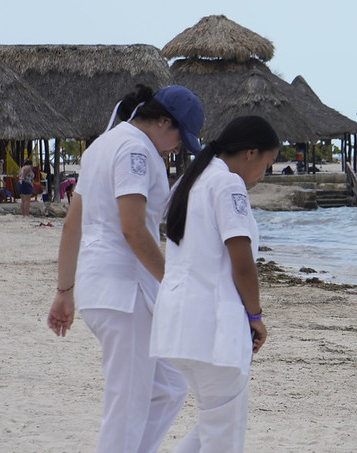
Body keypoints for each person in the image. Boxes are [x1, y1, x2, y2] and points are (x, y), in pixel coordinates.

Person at [47, 84, 204, 453]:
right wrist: (173, 284)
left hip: (103, 286)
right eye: (182, 136)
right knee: (128, 404)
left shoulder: (102, 144)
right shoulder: (136, 149)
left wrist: (64, 292)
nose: (181, 146)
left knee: (169, 387)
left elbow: (73, 223)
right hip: (124, 291)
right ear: (164, 121)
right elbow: (132, 227)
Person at [149, 116, 277, 451]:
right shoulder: (228, 184)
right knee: (224, 436)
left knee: (213, 426)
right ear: (250, 152)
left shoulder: (193, 181)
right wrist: (255, 316)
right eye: (267, 164)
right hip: (211, 326)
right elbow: (242, 263)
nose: (264, 174)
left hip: (178, 322)